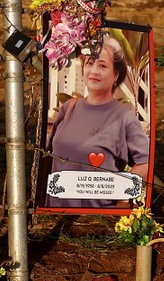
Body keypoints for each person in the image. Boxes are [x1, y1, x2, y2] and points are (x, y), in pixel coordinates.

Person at [44, 36, 150, 208]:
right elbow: (50, 158)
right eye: (89, 63)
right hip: (55, 217)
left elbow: (146, 163)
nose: (94, 71)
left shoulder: (124, 117)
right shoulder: (69, 108)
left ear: (115, 75)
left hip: (97, 220)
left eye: (102, 66)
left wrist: (123, 198)